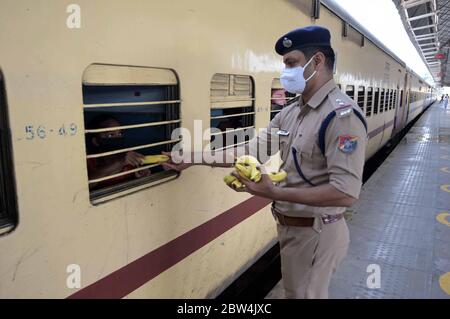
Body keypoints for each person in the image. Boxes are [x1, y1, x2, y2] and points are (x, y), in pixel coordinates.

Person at [161, 26, 368, 299]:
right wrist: (193, 158)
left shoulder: (341, 116)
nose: (286, 71)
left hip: (317, 232)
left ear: (317, 61)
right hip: (292, 227)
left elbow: (345, 193)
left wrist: (274, 192)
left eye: (291, 63)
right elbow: (250, 152)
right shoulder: (292, 113)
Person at [86, 114, 150, 189]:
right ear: (96, 141)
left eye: (120, 133)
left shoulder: (129, 160)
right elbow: (86, 185)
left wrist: (141, 177)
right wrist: (120, 162)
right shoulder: (90, 162)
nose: (117, 138)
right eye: (110, 135)